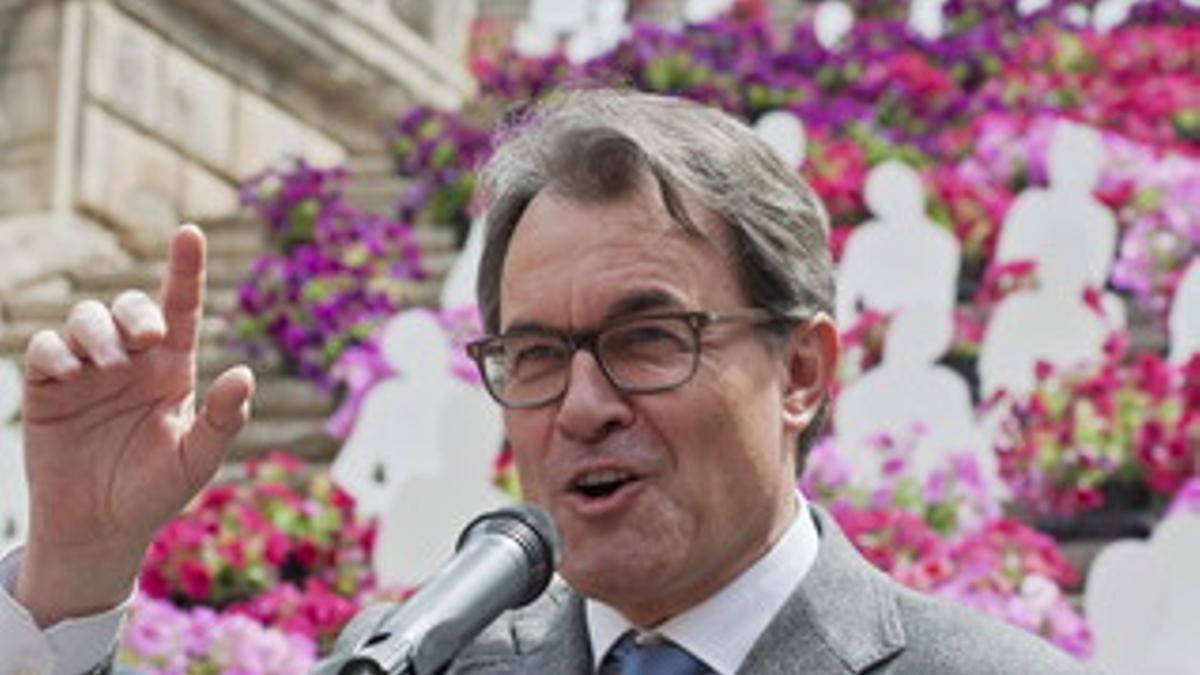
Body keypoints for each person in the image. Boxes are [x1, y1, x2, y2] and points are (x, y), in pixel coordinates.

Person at [0, 90, 1095, 674]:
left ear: (801, 370)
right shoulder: (417, 664)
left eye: (650, 337)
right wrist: (78, 575)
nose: (581, 407)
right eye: (533, 355)